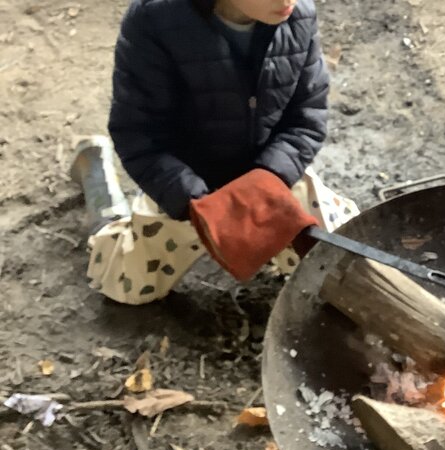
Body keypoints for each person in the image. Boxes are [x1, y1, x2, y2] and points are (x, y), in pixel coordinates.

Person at [70, 0, 358, 305]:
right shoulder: (154, 20)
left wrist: (270, 177)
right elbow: (139, 136)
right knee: (128, 283)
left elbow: (306, 117)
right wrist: (192, 202)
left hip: (267, 176)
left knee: (338, 259)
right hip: (192, 187)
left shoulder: (298, 16)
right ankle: (97, 175)